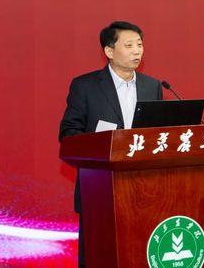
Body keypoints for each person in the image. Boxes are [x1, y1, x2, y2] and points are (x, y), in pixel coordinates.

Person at [59, 21, 162, 267]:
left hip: (144, 189)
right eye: (129, 45)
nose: (137, 51)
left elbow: (158, 135)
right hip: (99, 187)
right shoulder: (85, 86)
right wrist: (102, 145)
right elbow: (68, 134)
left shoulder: (152, 86)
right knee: (99, 255)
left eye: (139, 45)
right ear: (109, 51)